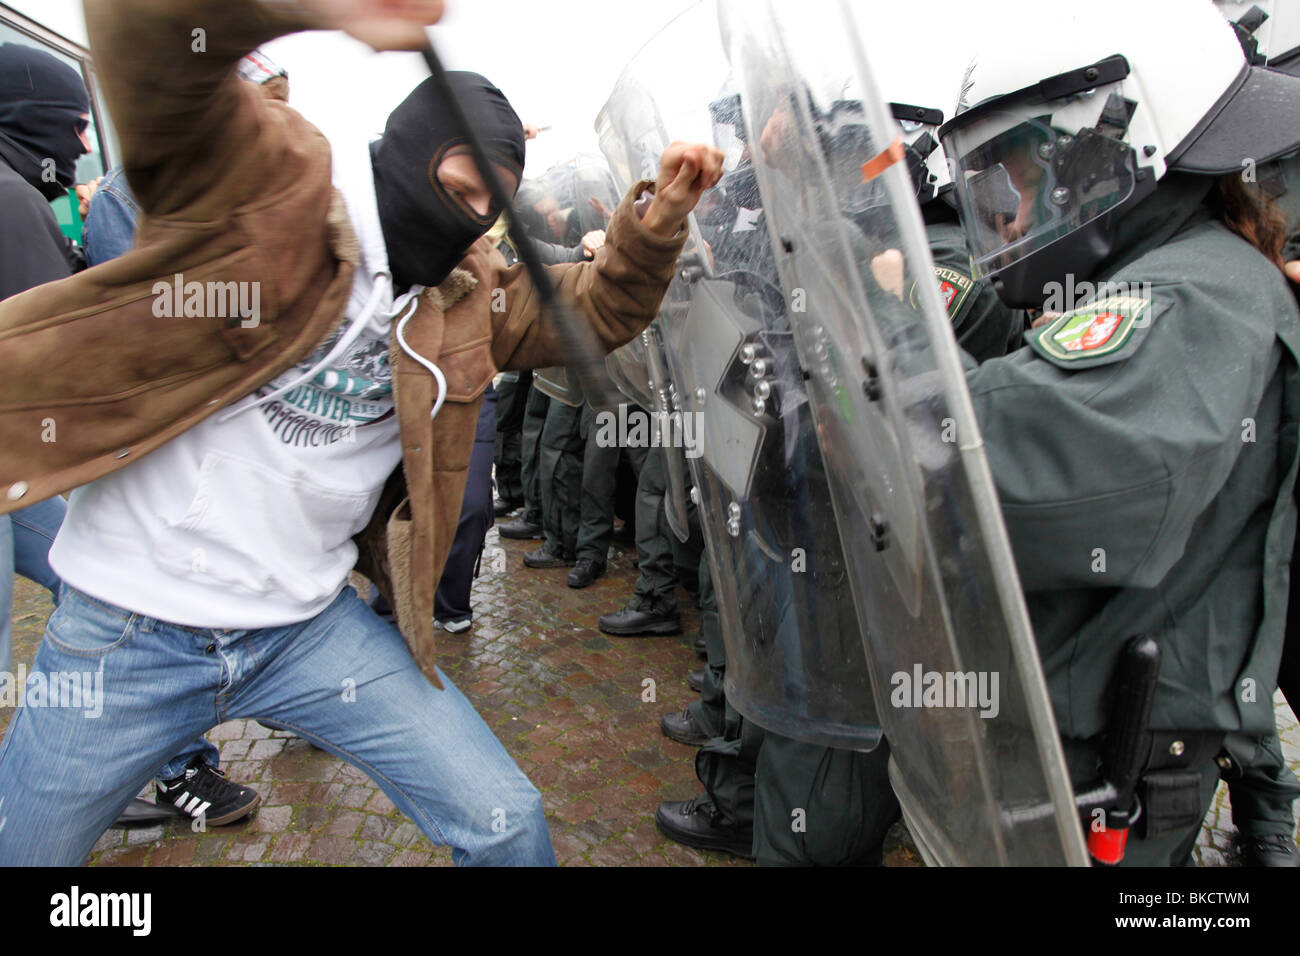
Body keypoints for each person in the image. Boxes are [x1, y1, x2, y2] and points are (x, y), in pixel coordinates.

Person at [0, 0, 722, 866]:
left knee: (507, 823)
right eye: (452, 191)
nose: (461, 221)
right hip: (129, 628)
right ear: (404, 155)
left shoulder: (469, 293)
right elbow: (151, 45)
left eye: (484, 209)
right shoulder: (264, 200)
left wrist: (658, 223)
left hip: (305, 630)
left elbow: (597, 306)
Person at [932, 0, 1300, 864]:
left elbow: (1010, 472)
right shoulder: (1174, 270)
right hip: (1093, 735)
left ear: (1107, 150)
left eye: (1017, 189)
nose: (1011, 225)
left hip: (1113, 769)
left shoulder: (1190, 296)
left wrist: (873, 361)